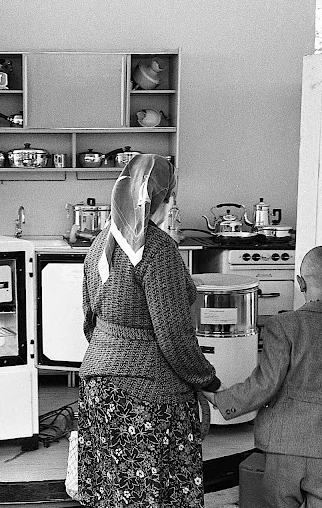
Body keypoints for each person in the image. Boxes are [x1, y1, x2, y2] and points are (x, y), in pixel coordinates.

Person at [78, 154, 222, 508]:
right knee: (154, 490)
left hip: (99, 387)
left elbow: (89, 318)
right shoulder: (158, 250)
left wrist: (111, 352)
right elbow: (174, 334)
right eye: (171, 195)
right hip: (147, 394)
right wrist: (207, 380)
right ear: (161, 198)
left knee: (111, 489)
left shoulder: (99, 245)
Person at [203, 245, 322, 508]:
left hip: (284, 446)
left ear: (299, 282)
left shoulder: (283, 327)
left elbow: (265, 384)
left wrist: (221, 399)